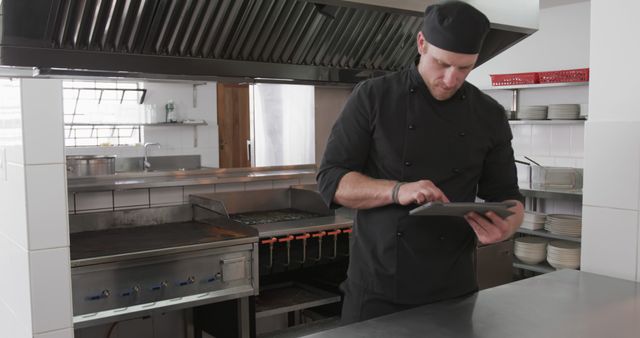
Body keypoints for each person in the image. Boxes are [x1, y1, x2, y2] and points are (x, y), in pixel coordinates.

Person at [317, 1, 525, 324]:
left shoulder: (489, 115)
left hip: (453, 292)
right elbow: (331, 180)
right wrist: (397, 190)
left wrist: (508, 225)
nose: (451, 78)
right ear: (421, 44)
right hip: (377, 293)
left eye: (464, 68)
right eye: (442, 64)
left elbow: (510, 196)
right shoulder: (372, 98)